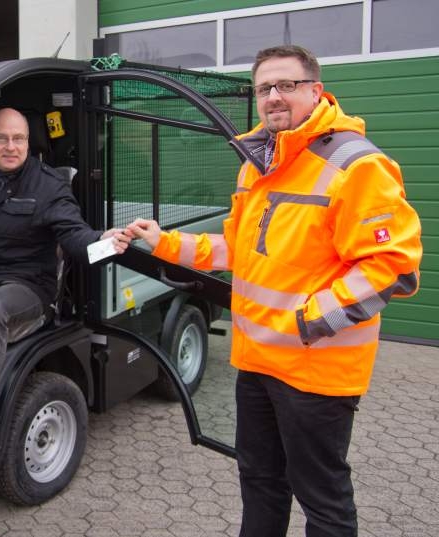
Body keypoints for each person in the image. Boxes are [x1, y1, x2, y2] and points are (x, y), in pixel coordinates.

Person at [128, 45, 422, 536]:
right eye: (264, 88)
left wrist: (308, 320)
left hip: (314, 372)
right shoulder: (259, 164)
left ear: (316, 91)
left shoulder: (357, 165)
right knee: (260, 480)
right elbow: (238, 249)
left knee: (322, 498)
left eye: (286, 85)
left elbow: (391, 266)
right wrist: (163, 242)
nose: (273, 97)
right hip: (258, 364)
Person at [0, 107, 131, 472]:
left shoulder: (49, 186)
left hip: (27, 286)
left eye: (18, 138)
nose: (10, 146)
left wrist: (105, 242)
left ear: (28, 143)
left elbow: (76, 236)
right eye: (1, 138)